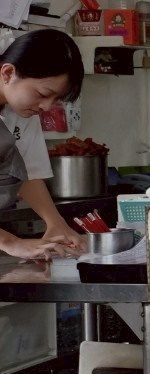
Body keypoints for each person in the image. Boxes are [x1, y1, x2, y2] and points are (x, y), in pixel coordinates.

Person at [0, 29, 87, 259]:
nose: (47, 107)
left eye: (55, 99)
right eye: (42, 93)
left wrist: (55, 222)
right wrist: (10, 242)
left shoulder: (22, 110)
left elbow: (28, 171)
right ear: (8, 73)